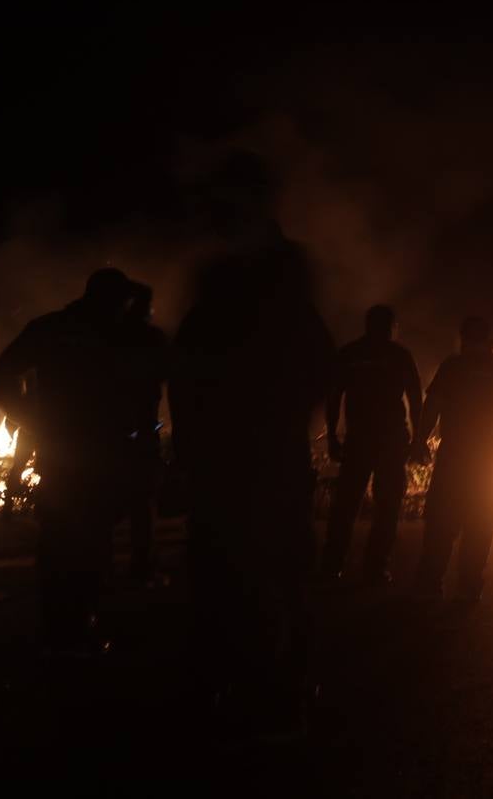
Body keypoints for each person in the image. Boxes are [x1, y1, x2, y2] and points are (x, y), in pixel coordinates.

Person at [170, 151, 334, 736]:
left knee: (225, 562)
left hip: (229, 453)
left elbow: (184, 373)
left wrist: (188, 444)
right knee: (279, 563)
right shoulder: (281, 285)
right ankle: (280, 682)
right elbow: (319, 363)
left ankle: (223, 680)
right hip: (263, 450)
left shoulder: (217, 290)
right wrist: (297, 418)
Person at [0, 268, 136, 655]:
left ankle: (64, 626)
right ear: (108, 301)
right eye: (122, 304)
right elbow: (0, 374)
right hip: (86, 452)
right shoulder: (104, 335)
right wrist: (29, 416)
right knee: (83, 540)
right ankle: (74, 627)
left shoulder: (51, 328)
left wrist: (29, 416)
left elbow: (0, 374)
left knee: (65, 538)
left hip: (68, 450)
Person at [411, 317, 493, 603]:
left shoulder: (452, 367)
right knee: (480, 524)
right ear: (490, 340)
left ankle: (430, 583)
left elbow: (434, 404)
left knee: (442, 521)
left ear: (464, 338)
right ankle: (469, 587)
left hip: (456, 453)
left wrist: (420, 439)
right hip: (489, 456)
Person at [320, 304, 422, 585]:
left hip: (359, 439)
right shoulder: (399, 355)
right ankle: (375, 568)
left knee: (346, 505)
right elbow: (415, 398)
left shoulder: (350, 353)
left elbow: (333, 397)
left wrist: (332, 436)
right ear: (392, 326)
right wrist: (418, 438)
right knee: (387, 506)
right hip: (391, 440)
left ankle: (332, 565)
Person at [117, 281, 170, 586]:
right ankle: (141, 567)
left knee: (102, 501)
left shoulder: (107, 335)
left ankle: (98, 571)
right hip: (141, 429)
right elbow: (170, 373)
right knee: (141, 500)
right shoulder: (152, 338)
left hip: (107, 428)